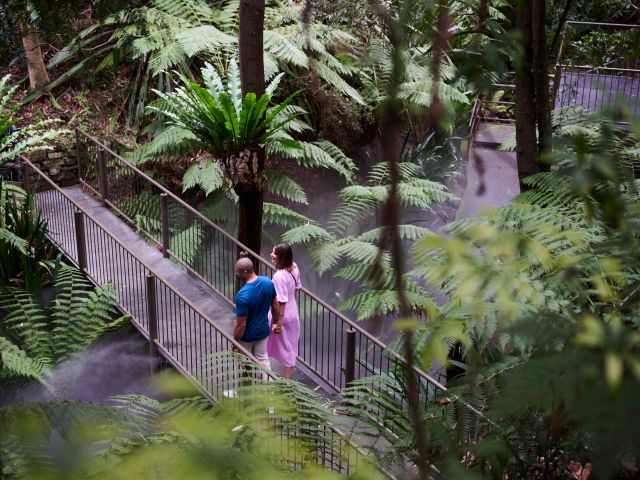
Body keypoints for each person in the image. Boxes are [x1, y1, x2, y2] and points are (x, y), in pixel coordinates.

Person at [234, 257, 280, 374]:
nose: (236, 274)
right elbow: (275, 304)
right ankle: (270, 388)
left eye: (238, 271)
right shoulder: (268, 282)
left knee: (245, 364)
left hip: (247, 337)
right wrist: (275, 321)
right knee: (263, 361)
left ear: (245, 272)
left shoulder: (242, 295)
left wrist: (235, 342)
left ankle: (245, 391)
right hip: (263, 331)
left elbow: (241, 325)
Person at [267, 243, 302, 380]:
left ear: (280, 257)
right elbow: (296, 289)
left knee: (264, 342)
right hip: (293, 311)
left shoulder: (279, 276)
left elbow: (281, 302)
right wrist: (292, 305)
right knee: (290, 345)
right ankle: (286, 380)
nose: (271, 254)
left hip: (281, 314)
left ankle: (264, 373)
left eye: (274, 253)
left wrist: (278, 322)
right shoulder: (294, 267)